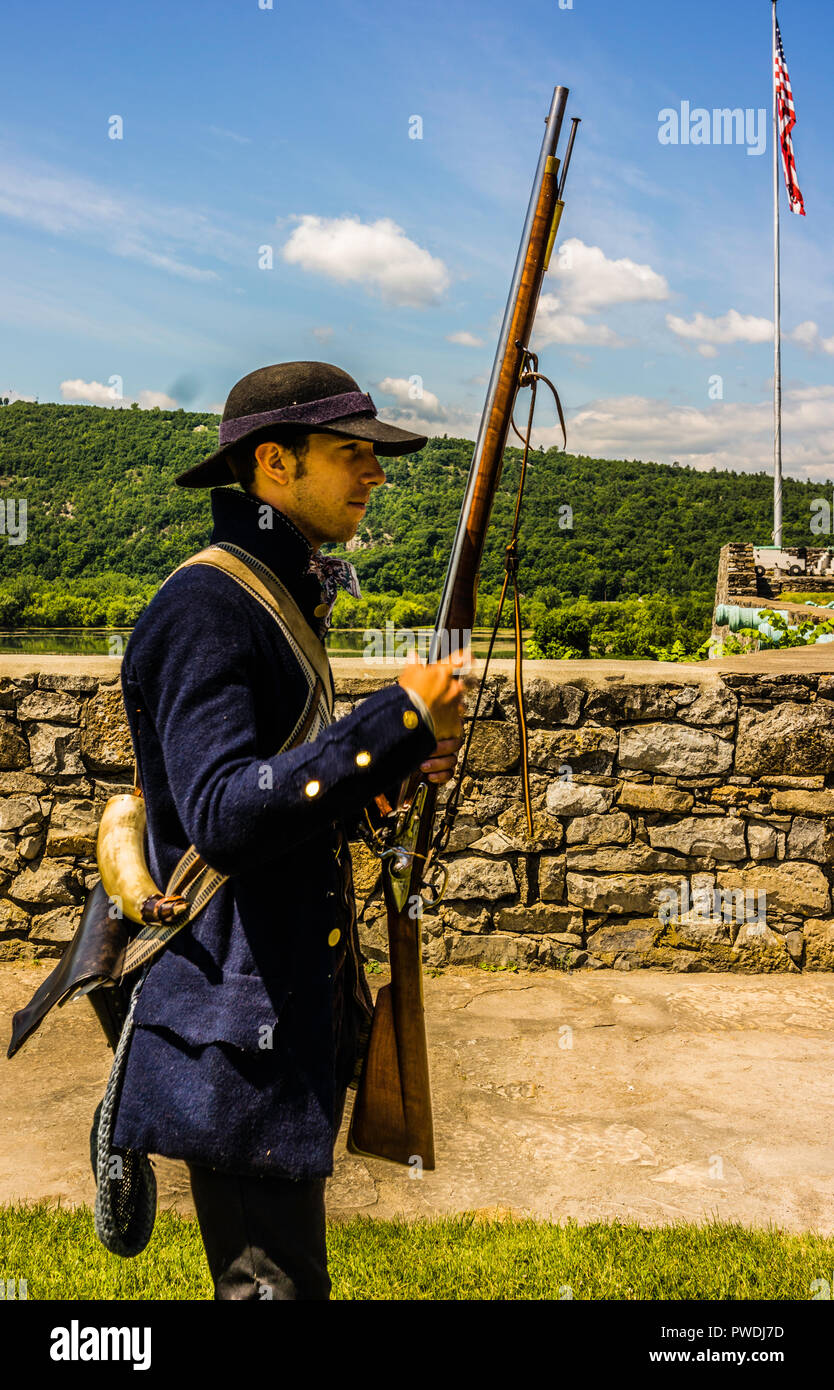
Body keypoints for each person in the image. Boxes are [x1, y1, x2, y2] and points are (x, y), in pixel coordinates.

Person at [110, 361, 467, 1299]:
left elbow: (279, 796)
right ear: (275, 463)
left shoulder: (270, 595)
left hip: (274, 1010)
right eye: (352, 454)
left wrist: (380, 780)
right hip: (234, 1024)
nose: (375, 474)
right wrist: (393, 722)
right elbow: (225, 815)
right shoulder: (207, 606)